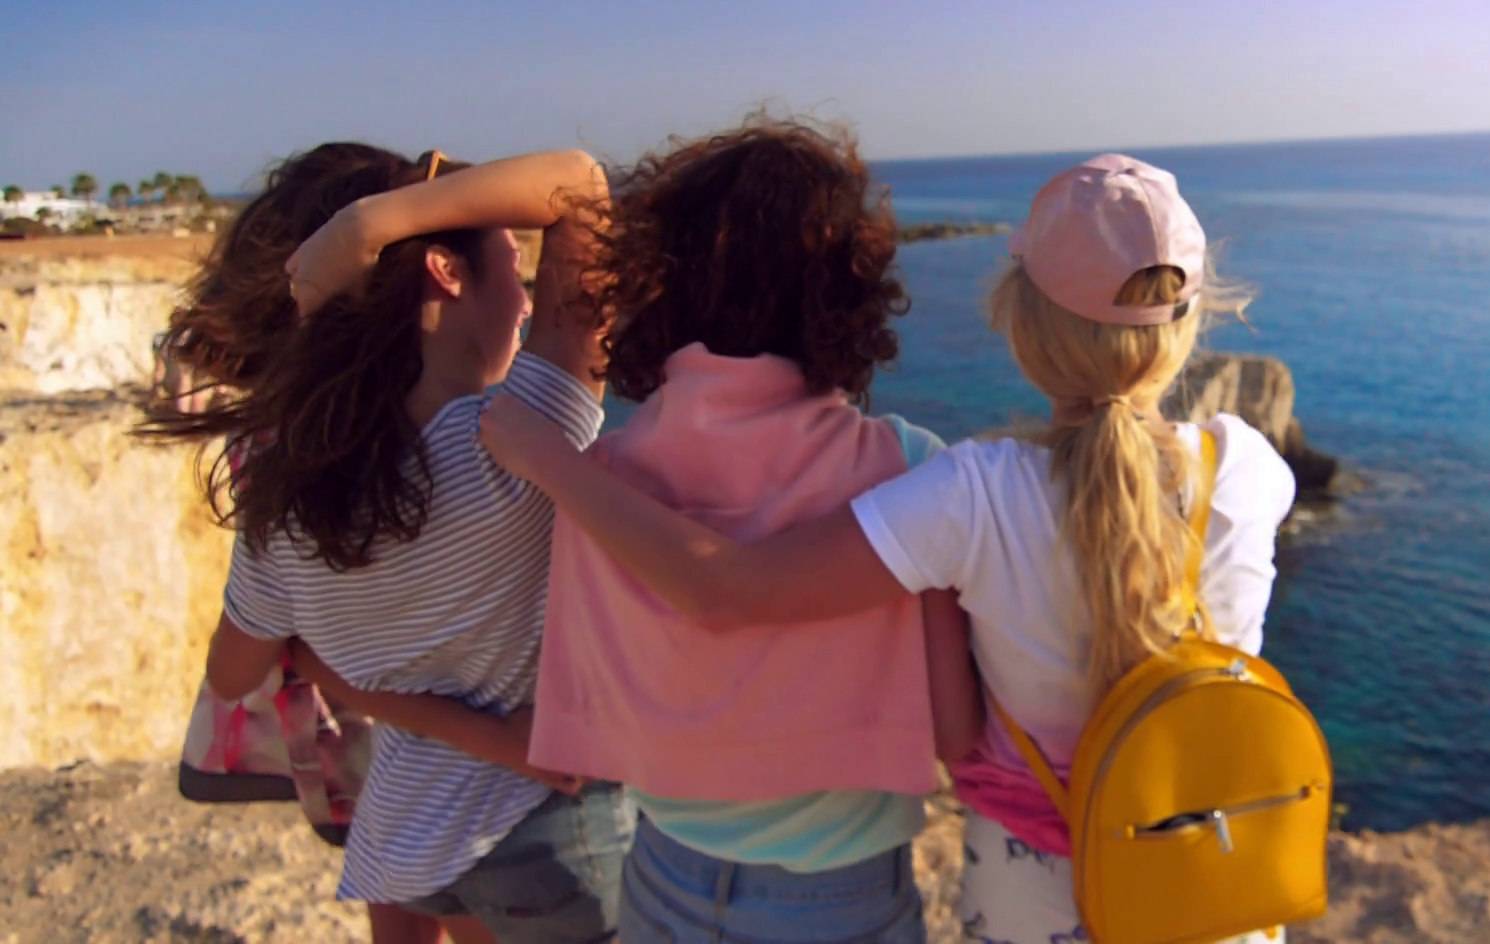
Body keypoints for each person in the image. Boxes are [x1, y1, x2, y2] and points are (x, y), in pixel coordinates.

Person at [479, 154, 1297, 944]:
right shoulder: (1249, 468)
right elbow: (952, 726)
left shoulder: (967, 496)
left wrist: (552, 460)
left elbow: (742, 594)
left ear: (1023, 324)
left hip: (982, 894)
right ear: (1189, 323)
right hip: (1209, 877)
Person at [292, 116, 983, 943]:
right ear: (849, 292)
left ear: (661, 282)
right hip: (839, 892)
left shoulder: (597, 478)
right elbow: (955, 732)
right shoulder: (911, 469)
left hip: (660, 875)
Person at [167, 142, 634, 943]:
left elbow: (233, 672)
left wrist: (432, 714)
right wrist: (369, 227)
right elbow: (583, 187)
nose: (526, 301)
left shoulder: (290, 496)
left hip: (411, 835)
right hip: (548, 834)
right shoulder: (518, 444)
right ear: (445, 273)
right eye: (512, 268)